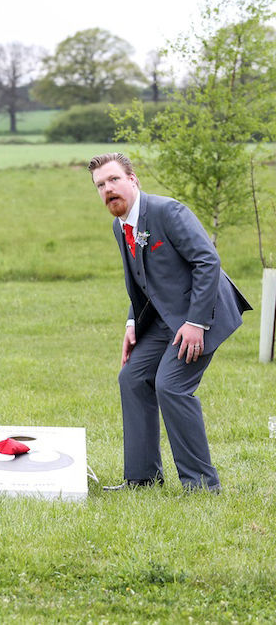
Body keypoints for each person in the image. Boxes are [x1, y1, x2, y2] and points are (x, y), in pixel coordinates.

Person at [88, 152, 251, 492]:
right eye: (101, 185)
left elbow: (208, 261)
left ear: (133, 180)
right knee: (132, 378)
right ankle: (144, 478)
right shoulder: (119, 227)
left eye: (114, 180)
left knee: (171, 385)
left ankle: (202, 485)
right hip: (164, 320)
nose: (108, 189)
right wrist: (132, 324)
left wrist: (196, 322)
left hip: (202, 315)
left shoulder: (168, 211)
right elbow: (139, 281)